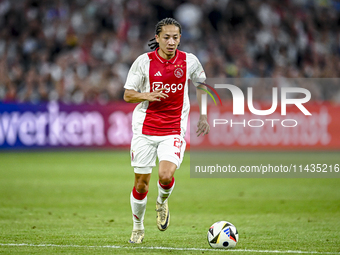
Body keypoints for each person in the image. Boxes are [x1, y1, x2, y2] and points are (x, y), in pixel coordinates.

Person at [123, 17, 210, 244]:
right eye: (166, 37)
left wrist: (203, 115)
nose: (171, 42)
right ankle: (138, 227)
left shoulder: (189, 61)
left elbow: (202, 86)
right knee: (141, 184)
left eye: (175, 37)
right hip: (144, 128)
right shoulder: (143, 62)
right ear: (157, 38)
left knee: (165, 174)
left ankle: (162, 201)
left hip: (173, 128)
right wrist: (147, 95)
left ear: (180, 38)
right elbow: (128, 94)